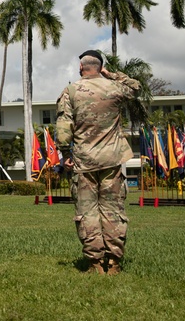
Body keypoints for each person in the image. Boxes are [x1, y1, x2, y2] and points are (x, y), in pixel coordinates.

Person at [54, 49, 140, 275]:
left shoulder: (71, 91)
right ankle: (114, 262)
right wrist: (111, 75)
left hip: (84, 161)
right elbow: (135, 87)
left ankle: (94, 263)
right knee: (112, 210)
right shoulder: (115, 88)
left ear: (81, 68)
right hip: (112, 159)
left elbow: (64, 126)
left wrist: (66, 153)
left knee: (88, 211)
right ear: (100, 67)